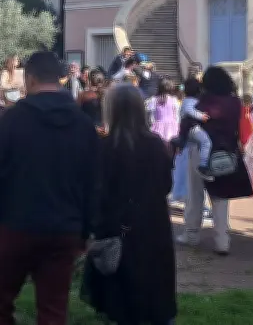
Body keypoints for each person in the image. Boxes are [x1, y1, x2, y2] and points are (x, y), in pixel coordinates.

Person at [0, 51, 98, 325]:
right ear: (60, 78)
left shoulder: (10, 120)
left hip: (13, 224)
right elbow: (93, 182)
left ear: (29, 79)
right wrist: (85, 229)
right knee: (53, 310)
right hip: (63, 228)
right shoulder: (82, 124)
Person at [81, 84, 177, 325]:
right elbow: (166, 185)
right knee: (154, 289)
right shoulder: (156, 145)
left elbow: (98, 193)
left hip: (118, 228)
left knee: (120, 295)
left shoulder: (106, 148)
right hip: (153, 225)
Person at [176, 67, 253, 250]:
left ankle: (191, 233)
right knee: (220, 196)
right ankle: (222, 240)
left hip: (201, 150)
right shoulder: (235, 103)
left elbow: (189, 121)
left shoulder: (205, 101)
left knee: (195, 193)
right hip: (225, 151)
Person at [171, 78, 211, 175]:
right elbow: (189, 110)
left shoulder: (187, 100)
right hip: (192, 128)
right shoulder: (190, 100)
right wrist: (201, 116)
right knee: (206, 142)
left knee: (188, 150)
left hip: (187, 130)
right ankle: (203, 165)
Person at [145, 79, 180, 148]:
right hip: (173, 126)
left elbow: (151, 116)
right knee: (171, 147)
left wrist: (152, 124)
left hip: (158, 126)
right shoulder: (174, 100)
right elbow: (177, 115)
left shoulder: (153, 99)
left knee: (158, 147)